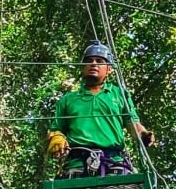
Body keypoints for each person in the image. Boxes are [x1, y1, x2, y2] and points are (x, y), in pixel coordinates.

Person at [45, 42, 154, 178]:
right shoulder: (68, 99)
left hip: (113, 163)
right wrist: (56, 137)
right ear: (82, 68)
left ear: (109, 69)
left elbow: (132, 123)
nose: (94, 64)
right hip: (77, 164)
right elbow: (57, 128)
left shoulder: (119, 94)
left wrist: (143, 134)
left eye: (100, 61)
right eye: (89, 61)